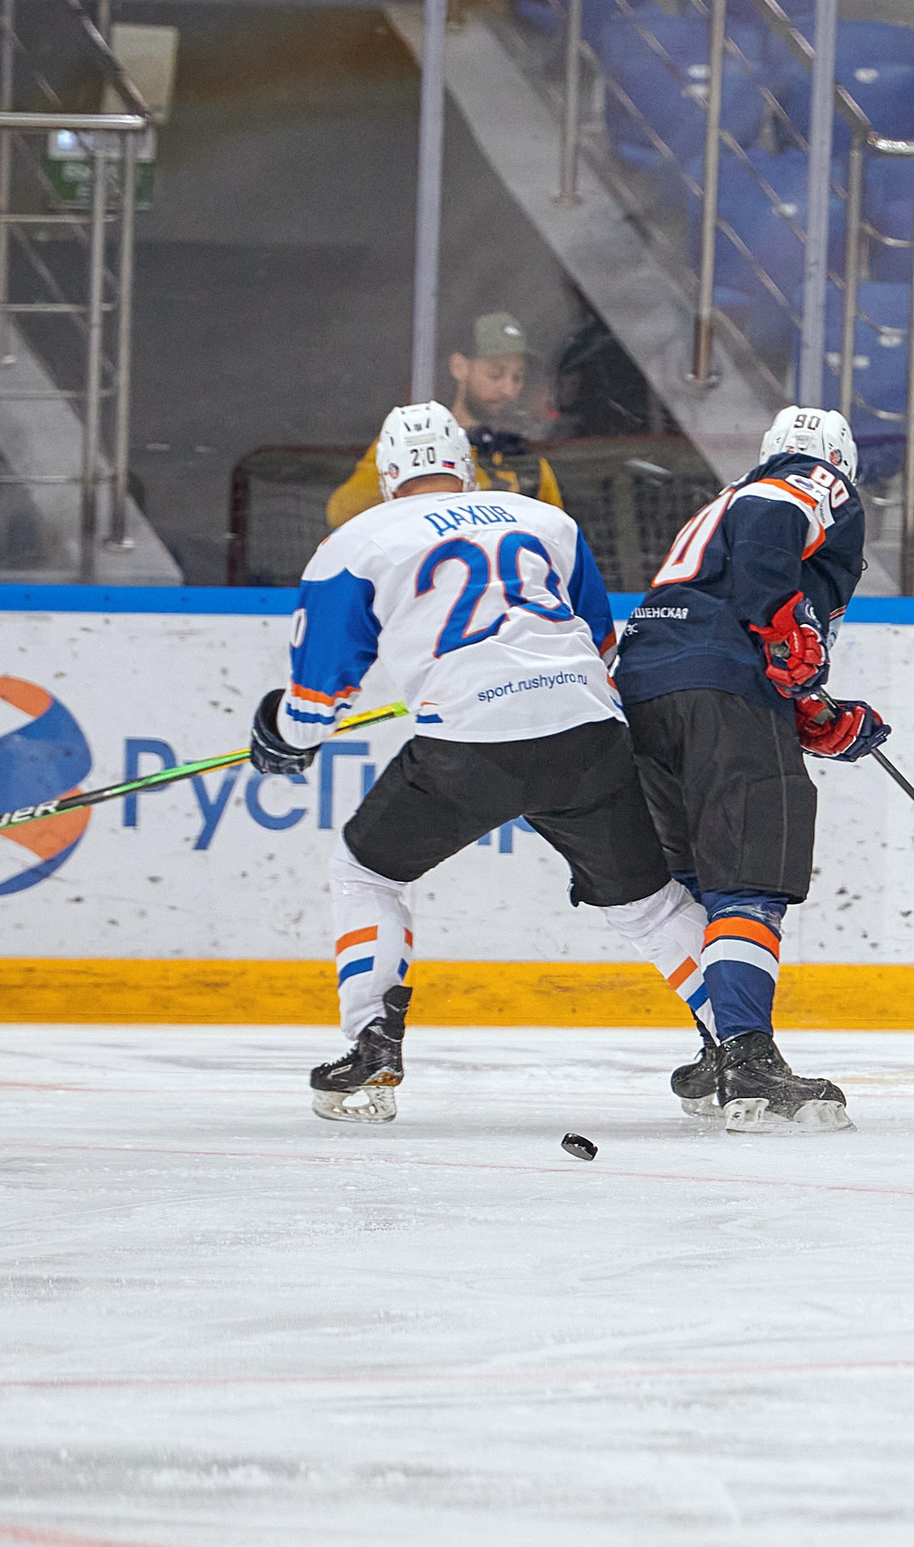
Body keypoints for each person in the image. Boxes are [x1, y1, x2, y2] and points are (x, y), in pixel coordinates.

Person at [248, 402, 714, 1124]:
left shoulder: (354, 542)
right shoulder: (546, 521)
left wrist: (282, 735)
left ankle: (372, 1044)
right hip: (585, 730)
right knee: (648, 905)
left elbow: (315, 703)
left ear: (386, 474)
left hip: (469, 743)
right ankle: (739, 1052)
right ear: (465, 467)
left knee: (366, 872)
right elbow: (601, 645)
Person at [612, 405, 881, 1130]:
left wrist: (815, 710)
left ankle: (722, 1045)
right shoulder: (808, 480)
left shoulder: (721, 507)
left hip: (645, 692)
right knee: (747, 883)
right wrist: (784, 622)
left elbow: (744, 629)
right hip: (720, 690)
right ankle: (748, 1058)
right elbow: (773, 527)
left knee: (702, 885)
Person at [327, 312, 564, 529]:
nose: (508, 390)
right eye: (495, 374)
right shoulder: (408, 439)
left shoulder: (527, 460)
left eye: (518, 377)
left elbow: (558, 534)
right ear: (459, 367)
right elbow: (341, 514)